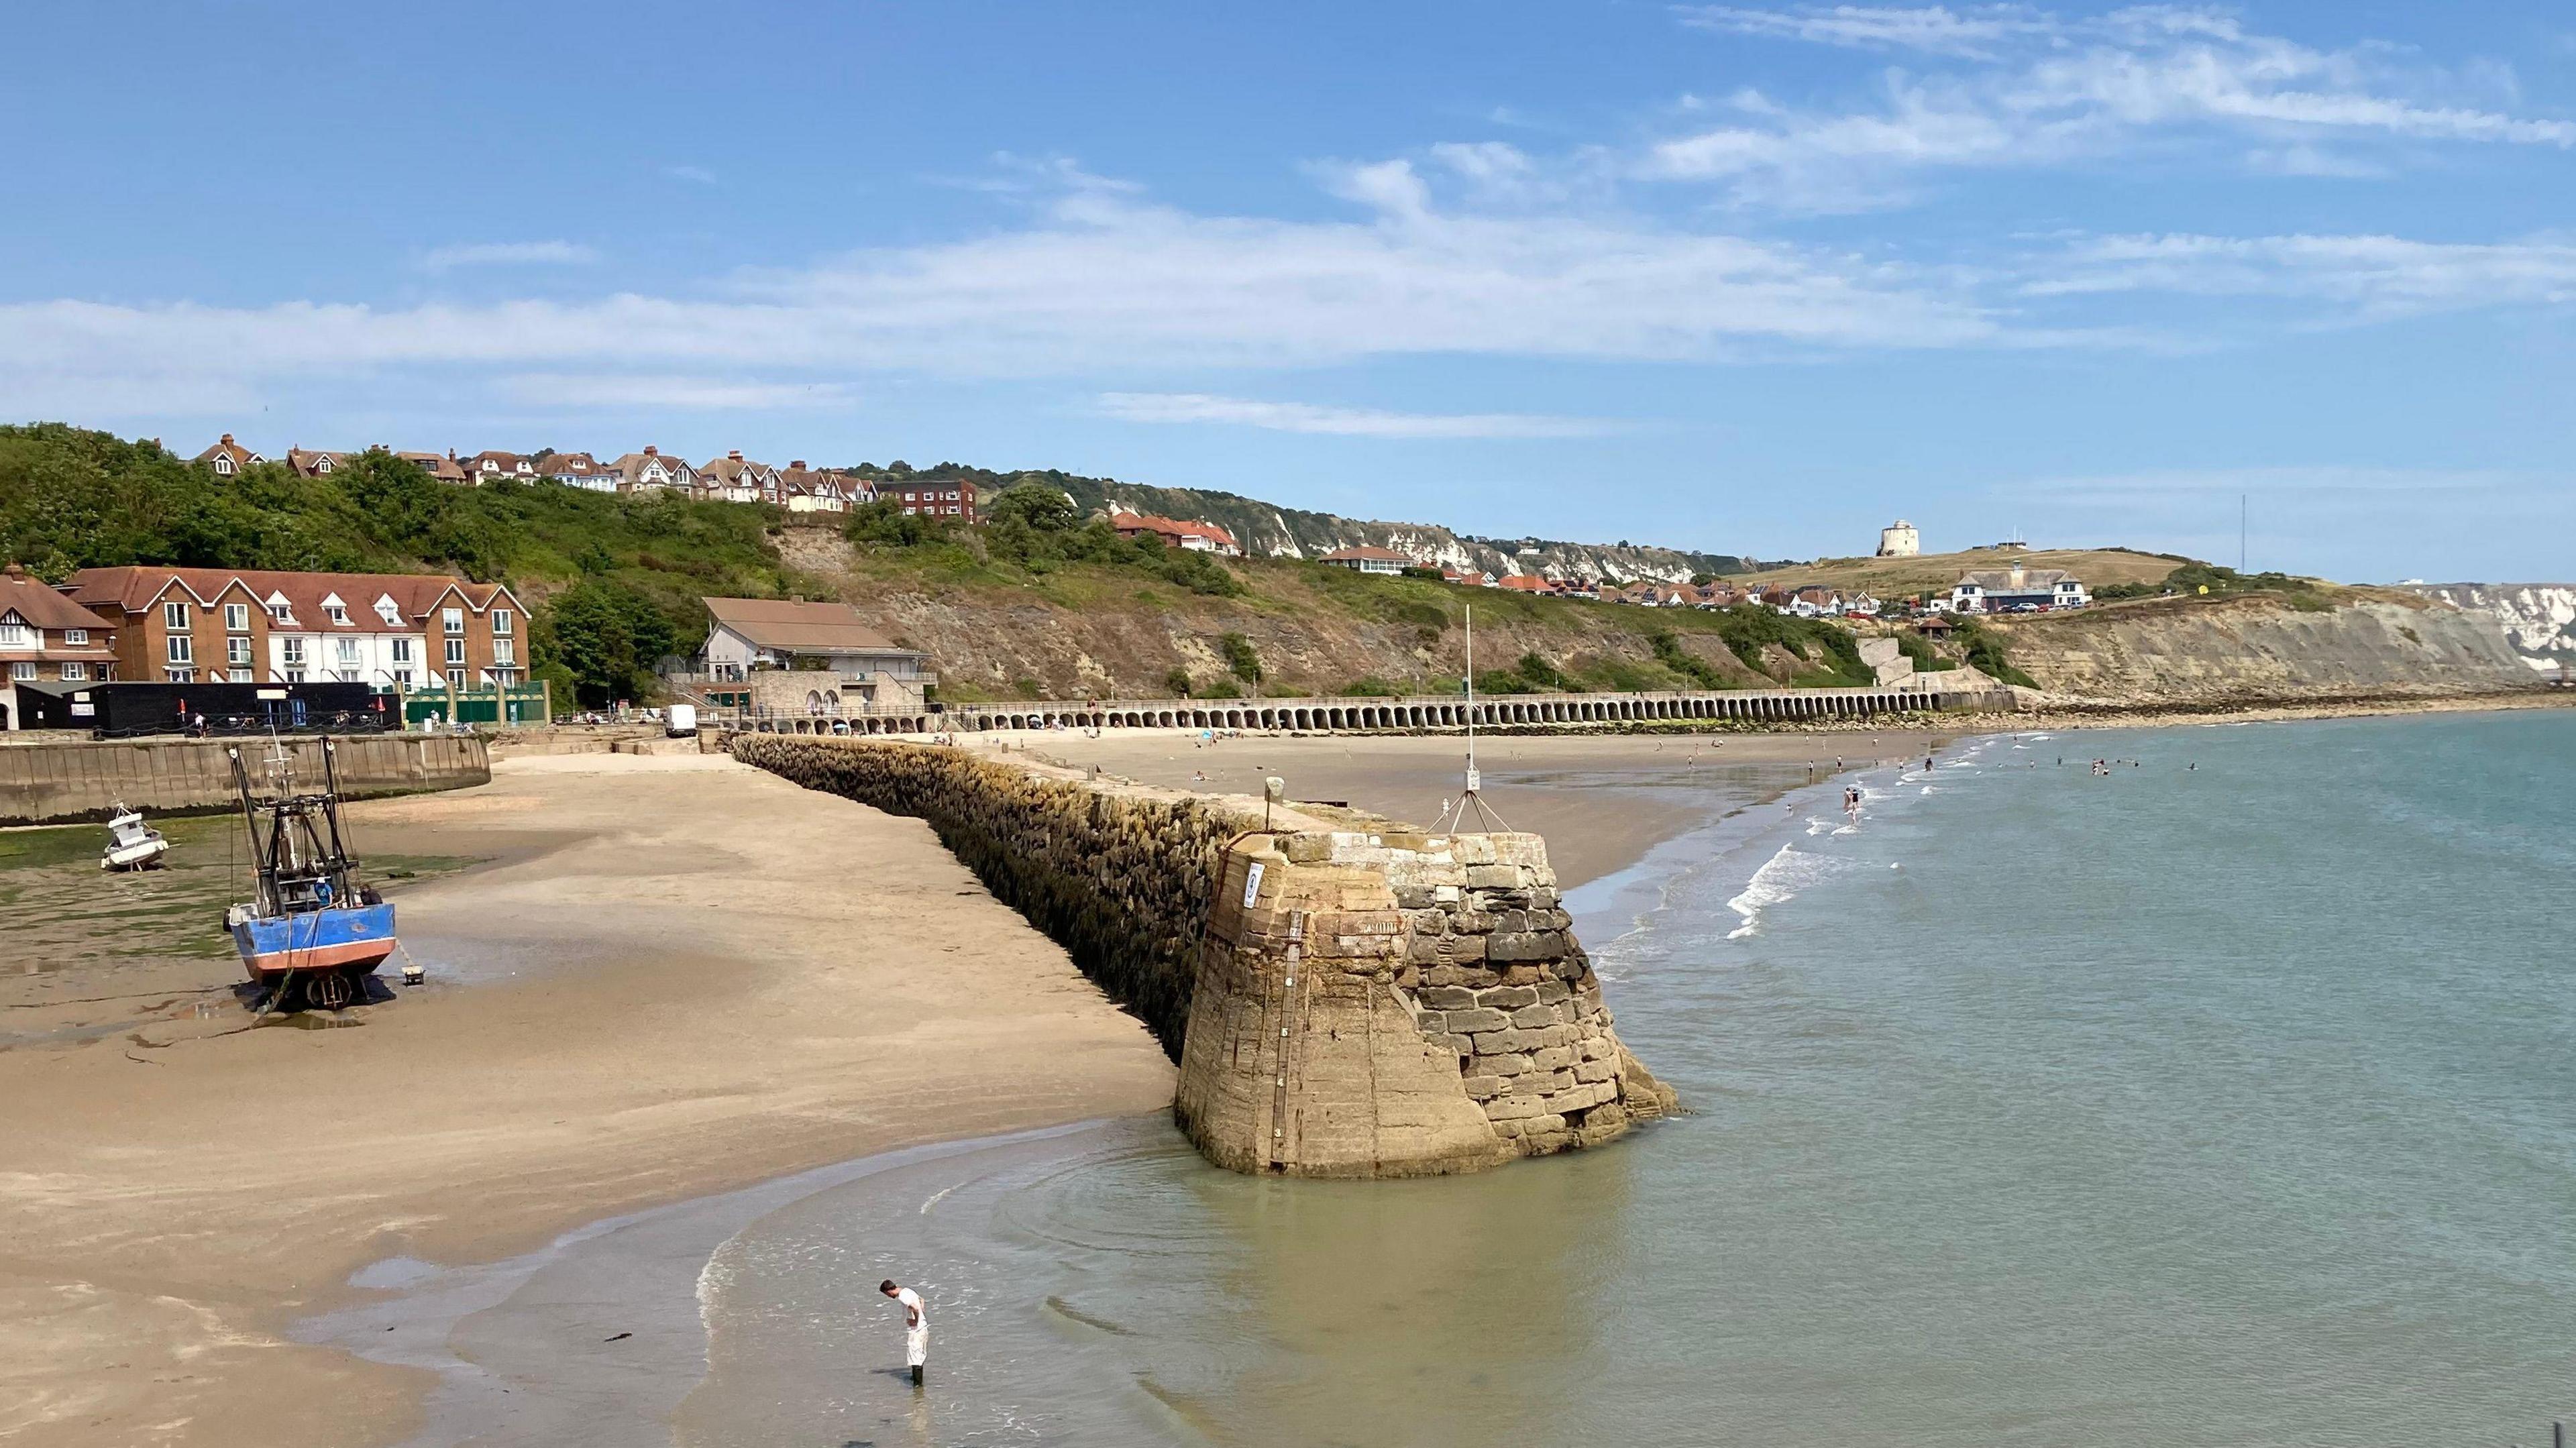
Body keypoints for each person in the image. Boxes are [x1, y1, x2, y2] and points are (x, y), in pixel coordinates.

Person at [881, 1278, 927, 1386]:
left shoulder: (903, 1297)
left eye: (887, 1294)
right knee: (918, 1355)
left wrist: (915, 1320)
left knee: (915, 1357)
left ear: (889, 1291)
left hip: (917, 1329)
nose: (888, 1296)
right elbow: (922, 1299)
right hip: (923, 1327)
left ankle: (917, 1387)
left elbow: (915, 1308)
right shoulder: (908, 1291)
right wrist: (922, 1312)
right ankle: (915, 1380)